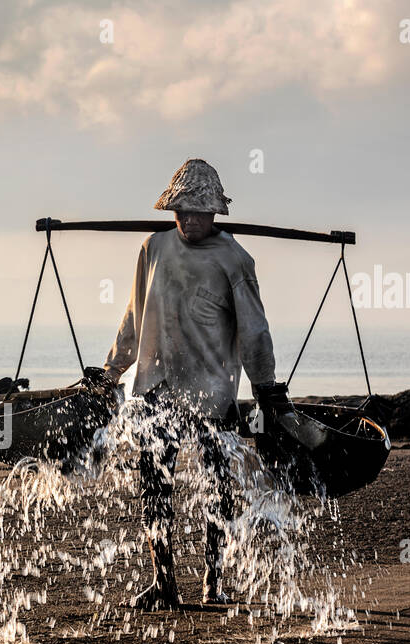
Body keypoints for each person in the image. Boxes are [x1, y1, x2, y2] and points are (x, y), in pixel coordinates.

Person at [99, 158, 293, 608]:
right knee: (153, 484)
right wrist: (113, 370)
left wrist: (266, 388)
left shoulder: (234, 260)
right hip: (157, 386)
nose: (189, 219)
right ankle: (162, 581)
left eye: (198, 211)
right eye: (181, 210)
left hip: (213, 389)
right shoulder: (153, 248)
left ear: (216, 214)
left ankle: (213, 580)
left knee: (218, 484)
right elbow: (134, 314)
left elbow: (255, 330)